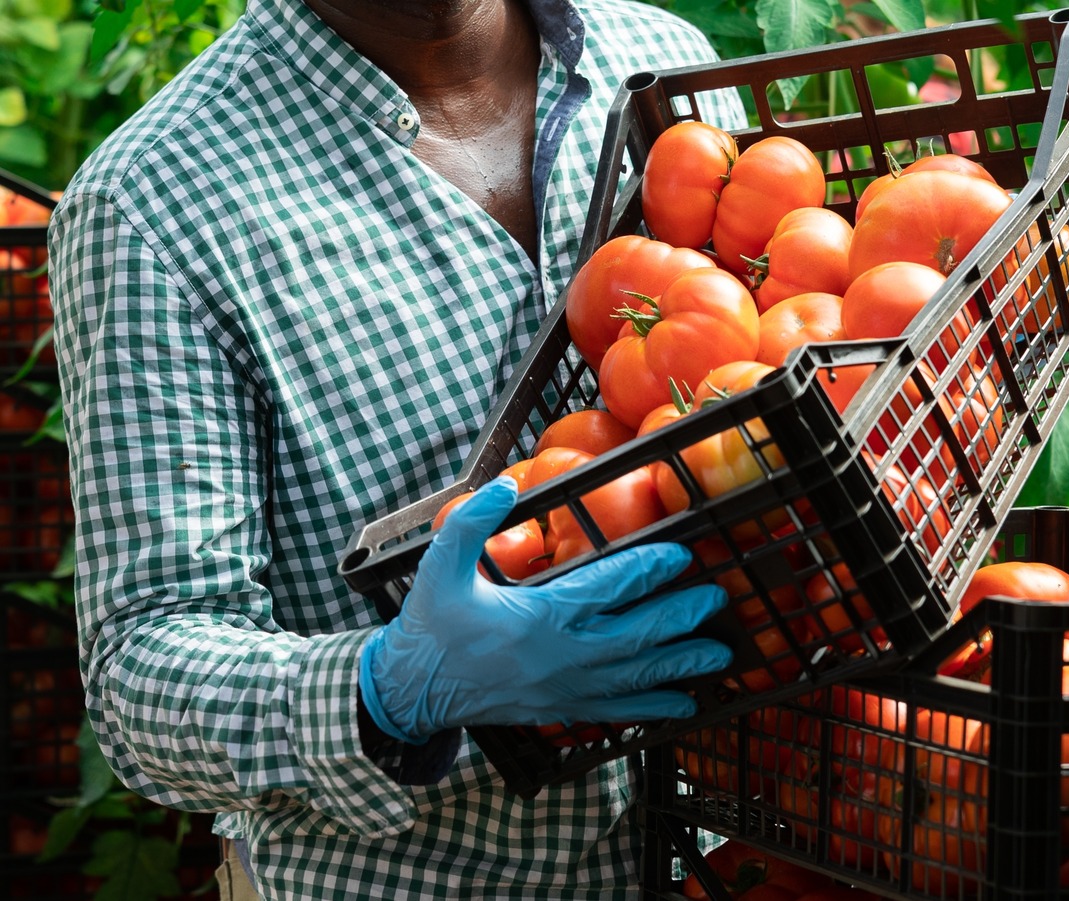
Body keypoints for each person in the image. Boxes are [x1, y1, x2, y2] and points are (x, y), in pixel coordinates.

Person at [47, 0, 749, 894]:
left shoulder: (659, 59)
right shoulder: (152, 204)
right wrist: (385, 689)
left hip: (736, 856)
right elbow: (140, 673)